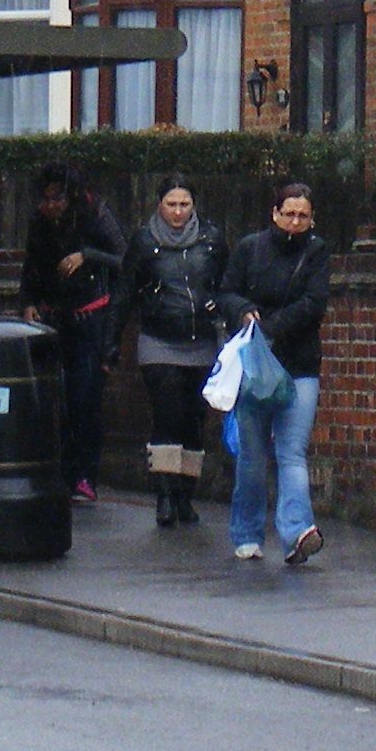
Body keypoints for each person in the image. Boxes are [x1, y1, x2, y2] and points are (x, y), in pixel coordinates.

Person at [215, 179, 333, 567]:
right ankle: (247, 533)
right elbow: (226, 292)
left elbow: (314, 304)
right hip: (255, 368)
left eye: (303, 216)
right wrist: (244, 311)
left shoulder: (317, 253)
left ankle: (296, 532)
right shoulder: (250, 248)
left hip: (298, 366)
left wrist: (271, 327)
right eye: (289, 214)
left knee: (292, 453)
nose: (295, 222)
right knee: (252, 455)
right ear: (275, 214)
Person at [124, 179, 225, 529]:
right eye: (172, 204)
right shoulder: (144, 241)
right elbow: (126, 289)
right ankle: (164, 495)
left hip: (201, 342)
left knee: (194, 419)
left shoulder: (211, 240)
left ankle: (186, 494)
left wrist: (220, 309)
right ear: (159, 206)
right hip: (159, 340)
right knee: (167, 413)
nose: (178, 212)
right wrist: (110, 341)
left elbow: (225, 283)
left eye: (184, 204)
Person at [21, 163, 124, 505]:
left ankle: (85, 475)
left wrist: (87, 256)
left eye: (57, 199)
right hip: (54, 317)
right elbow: (31, 265)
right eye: (46, 199)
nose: (51, 206)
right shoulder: (40, 223)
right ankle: (62, 472)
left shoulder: (94, 214)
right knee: (56, 401)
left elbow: (124, 258)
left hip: (89, 317)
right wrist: (29, 301)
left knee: (85, 400)